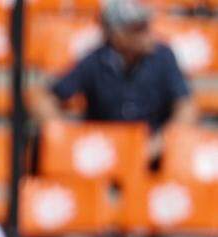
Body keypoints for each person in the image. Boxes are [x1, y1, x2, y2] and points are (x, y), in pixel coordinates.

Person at [31, 0, 198, 160]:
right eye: (138, 28)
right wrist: (65, 135)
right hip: (103, 157)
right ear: (117, 34)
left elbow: (186, 107)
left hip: (152, 158)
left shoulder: (163, 56)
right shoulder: (95, 61)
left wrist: (161, 142)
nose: (148, 33)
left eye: (146, 25)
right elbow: (43, 98)